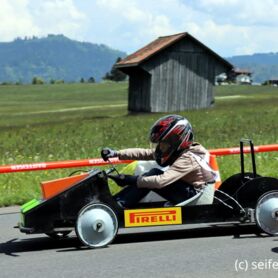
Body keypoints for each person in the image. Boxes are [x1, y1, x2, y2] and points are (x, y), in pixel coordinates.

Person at [101, 114, 216, 208]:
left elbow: (160, 182)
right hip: (192, 192)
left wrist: (131, 180)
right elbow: (145, 153)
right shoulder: (179, 151)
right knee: (151, 175)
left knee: (154, 175)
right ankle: (117, 202)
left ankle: (118, 205)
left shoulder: (188, 158)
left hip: (198, 200)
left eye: (163, 143)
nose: (159, 147)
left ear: (175, 141)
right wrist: (116, 153)